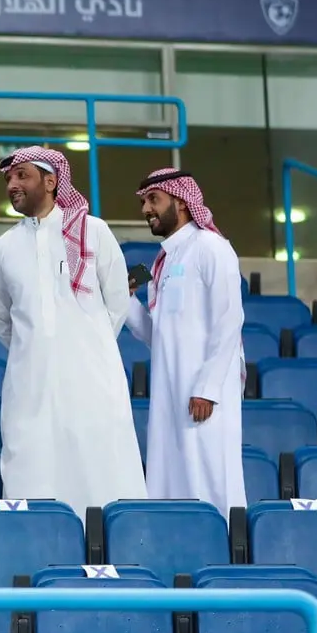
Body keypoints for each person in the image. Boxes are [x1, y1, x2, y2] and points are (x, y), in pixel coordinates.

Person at [0, 146, 147, 517]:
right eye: (8, 177)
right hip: (30, 385)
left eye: (22, 175)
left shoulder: (94, 232)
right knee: (33, 472)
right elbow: (2, 322)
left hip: (93, 382)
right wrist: (41, 349)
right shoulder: (2, 249)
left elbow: (118, 302)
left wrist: (85, 345)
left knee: (101, 474)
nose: (12, 184)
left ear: (51, 180)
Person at [126, 168, 246, 519]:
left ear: (180, 201)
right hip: (170, 392)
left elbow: (229, 320)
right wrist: (126, 301)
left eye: (153, 200)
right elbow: (157, 334)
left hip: (204, 394)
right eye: (144, 202)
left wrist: (207, 388)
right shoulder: (163, 262)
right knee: (170, 477)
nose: (146, 209)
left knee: (209, 477)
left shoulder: (211, 248)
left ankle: (223, 558)